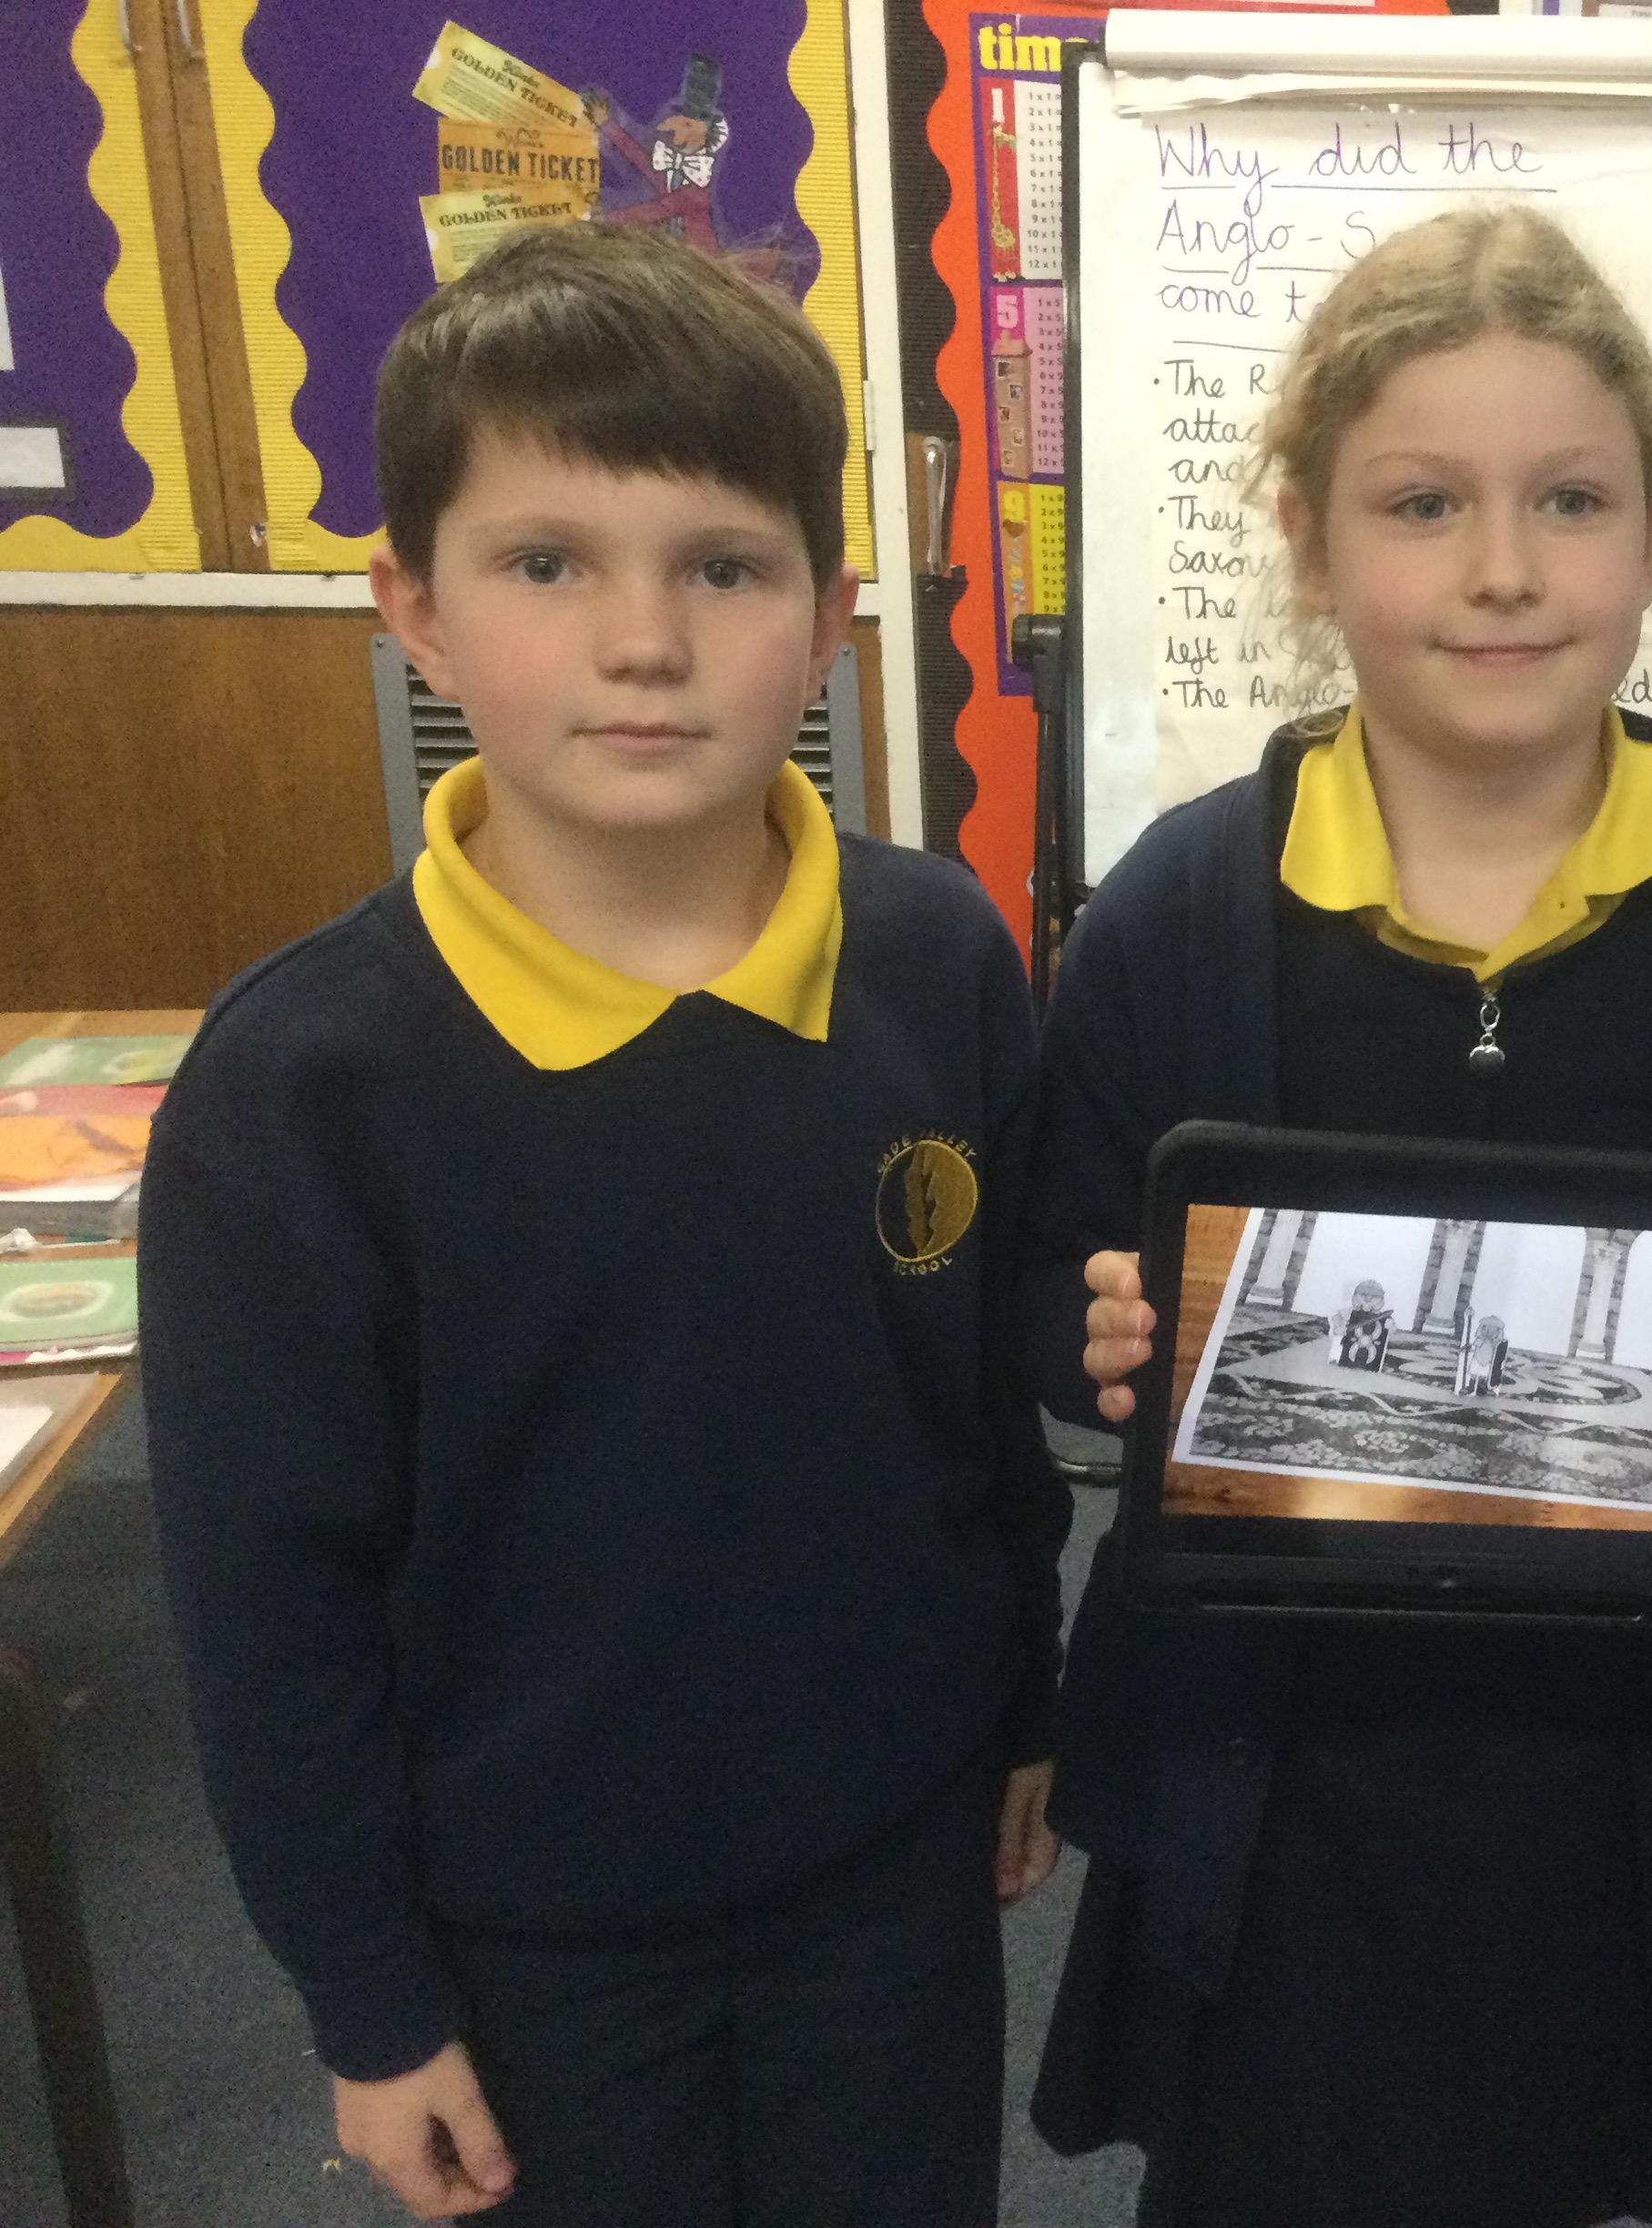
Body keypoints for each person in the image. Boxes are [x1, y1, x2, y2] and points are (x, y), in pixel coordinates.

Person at [138, 223, 1069, 2227]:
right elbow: (266, 1608)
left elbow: (982, 1414)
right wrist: (370, 2002)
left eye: (722, 568)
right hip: (530, 1942)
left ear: (828, 619)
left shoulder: (936, 963)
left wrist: (1024, 1705)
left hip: (890, 1875)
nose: (644, 641)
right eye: (549, 563)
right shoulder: (302, 1089)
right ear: (416, 610)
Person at [1022, 207, 1652, 2227]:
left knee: (1580, 2160)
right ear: (1312, 544)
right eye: (1424, 504)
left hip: (1621, 1769)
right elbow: (1053, 1279)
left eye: (1572, 500)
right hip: (1276, 1770)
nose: (1506, 569)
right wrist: (1103, 1333)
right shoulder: (1177, 914)